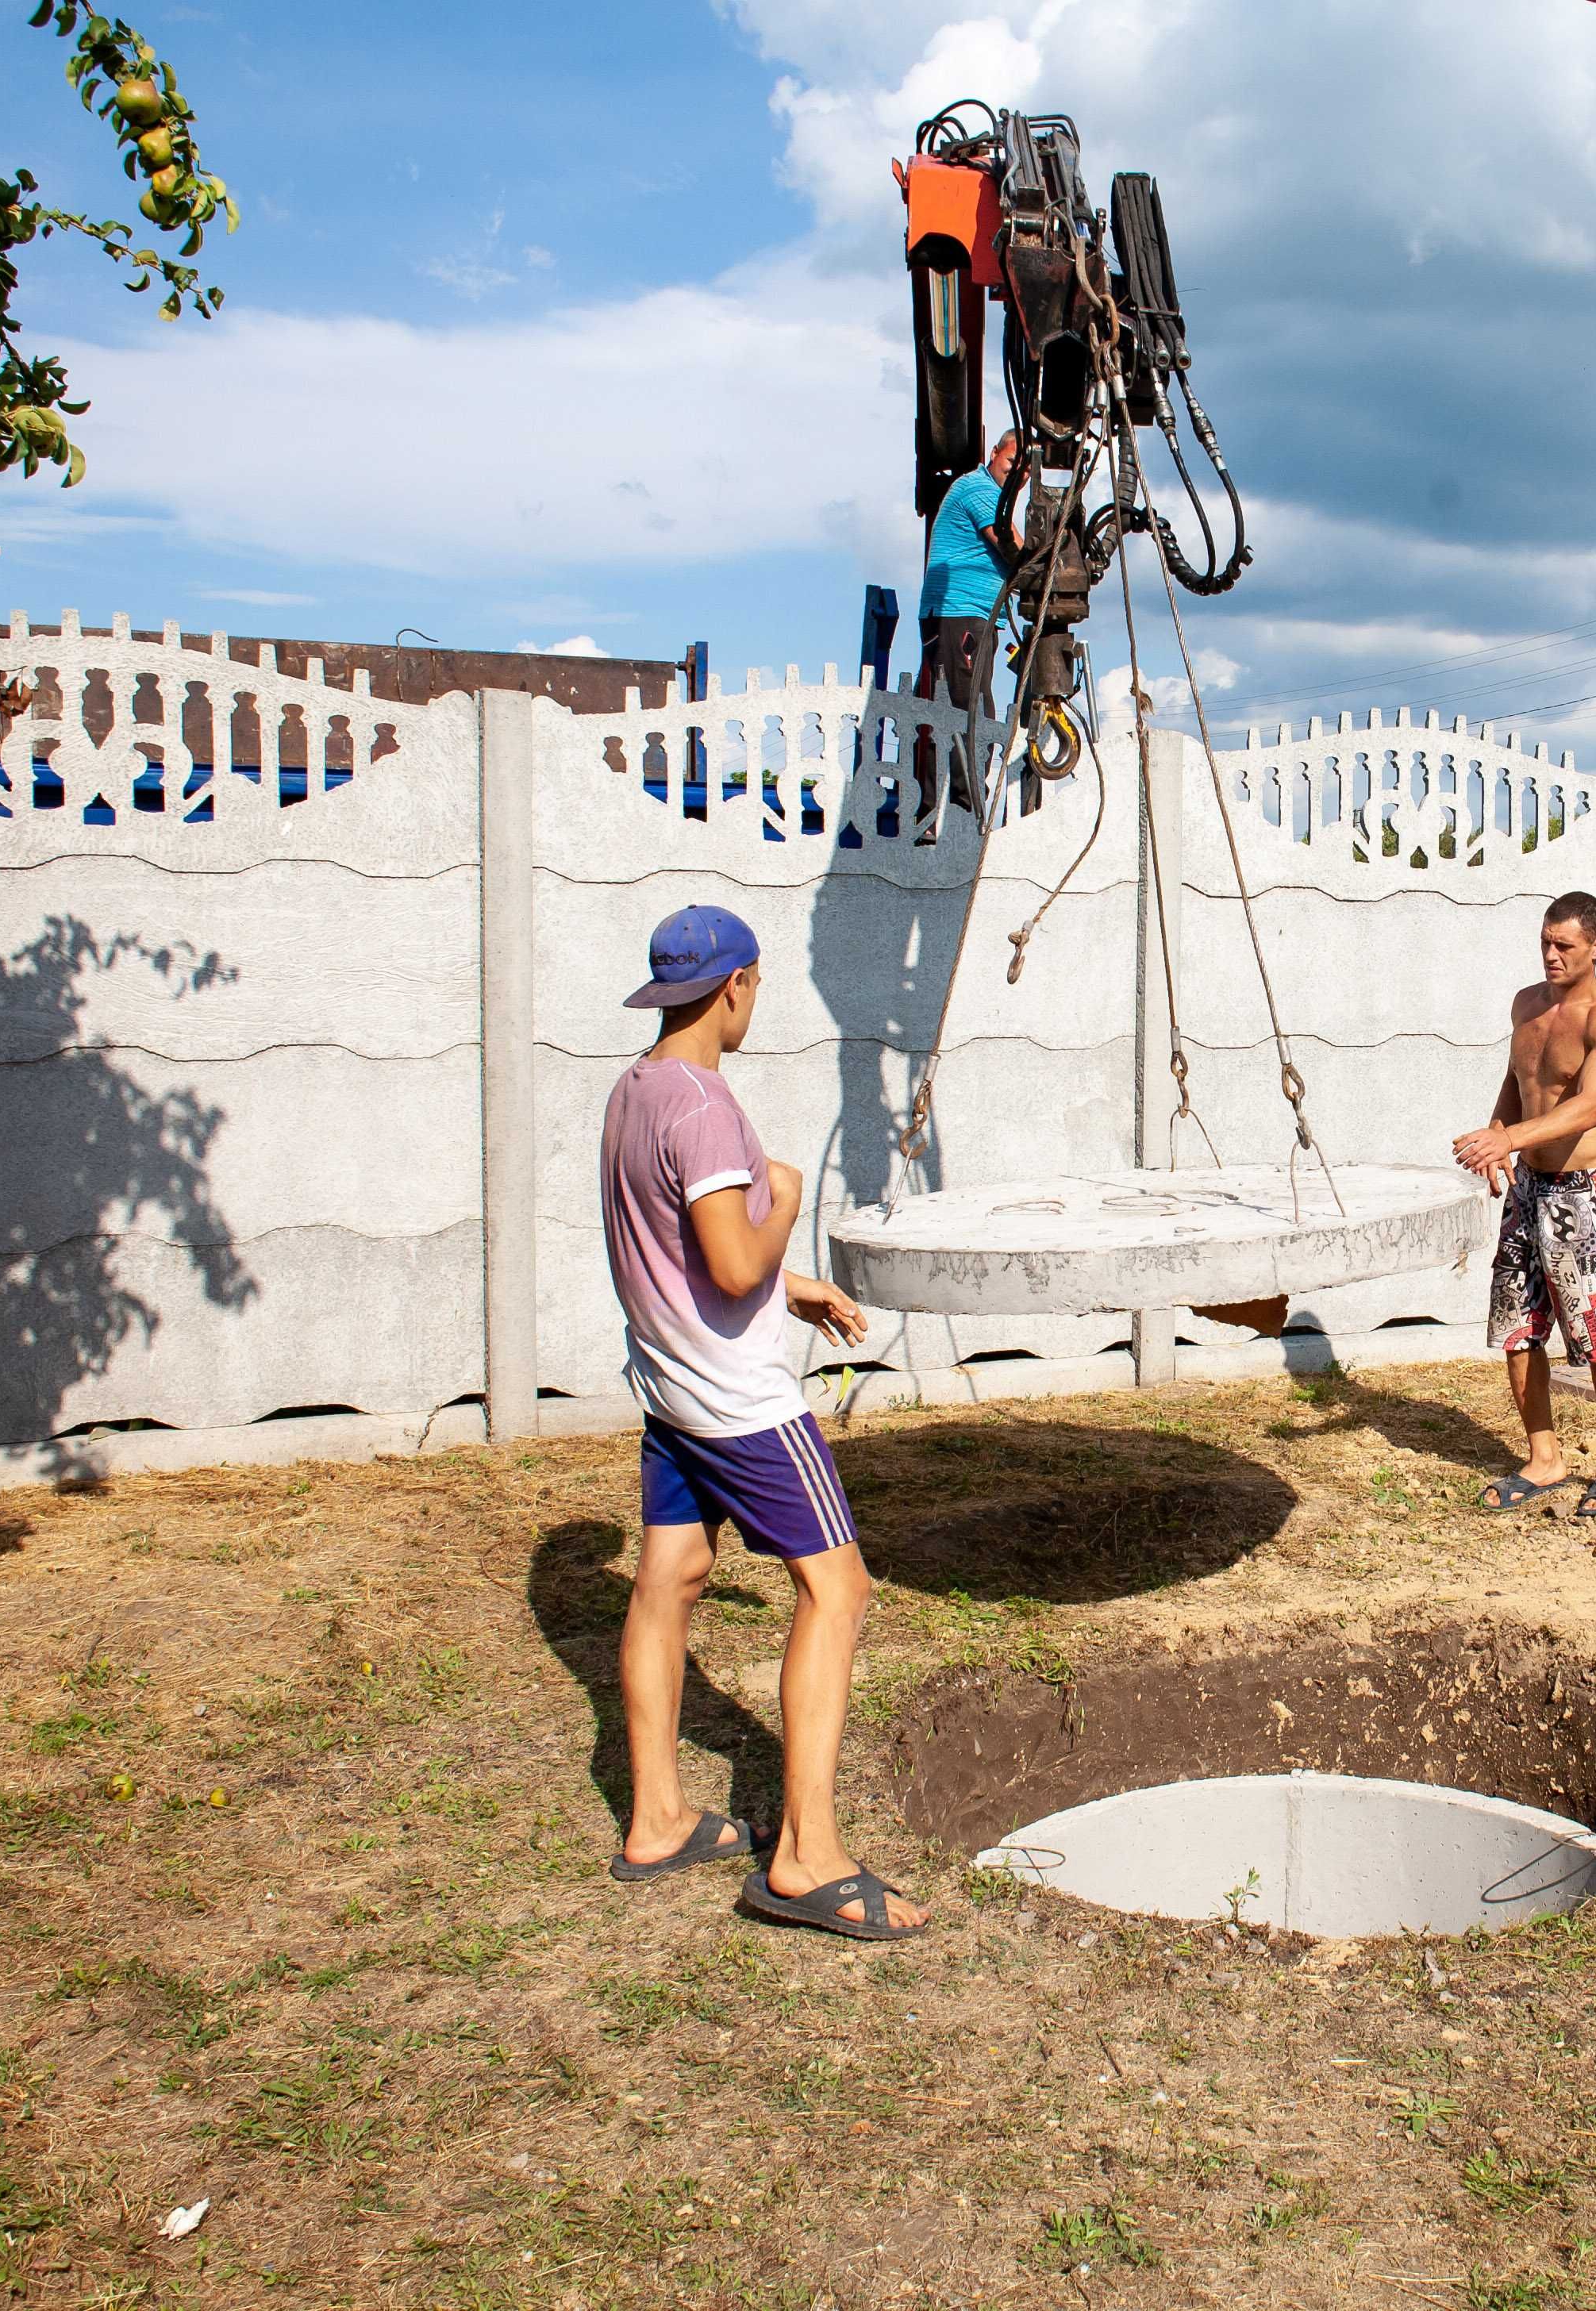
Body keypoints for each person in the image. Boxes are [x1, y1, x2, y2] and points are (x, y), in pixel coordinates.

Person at [601, 902, 927, 1940]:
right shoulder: (704, 1110)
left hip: (670, 1392)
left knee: (669, 1580)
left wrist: (790, 1288)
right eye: (758, 986)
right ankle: (806, 1857)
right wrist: (781, 1199)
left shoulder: (635, 1092)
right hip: (741, 1404)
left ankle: (656, 1819)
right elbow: (731, 1255)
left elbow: (681, 1251)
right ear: (735, 986)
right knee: (839, 1591)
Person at [1452, 891, 1596, 1521]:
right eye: (1545, 942)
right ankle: (1545, 1458)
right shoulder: (1526, 1005)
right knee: (1516, 1325)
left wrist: (1510, 1137)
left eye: (1564, 945)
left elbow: (1588, 1106)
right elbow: (1520, 1079)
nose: (1552, 955)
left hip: (1582, 1193)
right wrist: (1498, 1135)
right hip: (1528, 1185)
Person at [912, 429, 1021, 836]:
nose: (1016, 476)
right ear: (994, 454)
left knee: (953, 711)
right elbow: (1011, 545)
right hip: (961, 613)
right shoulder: (978, 489)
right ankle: (962, 811)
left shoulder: (991, 493)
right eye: (1011, 464)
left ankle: (933, 814)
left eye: (1023, 472)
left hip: (971, 615)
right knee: (973, 711)